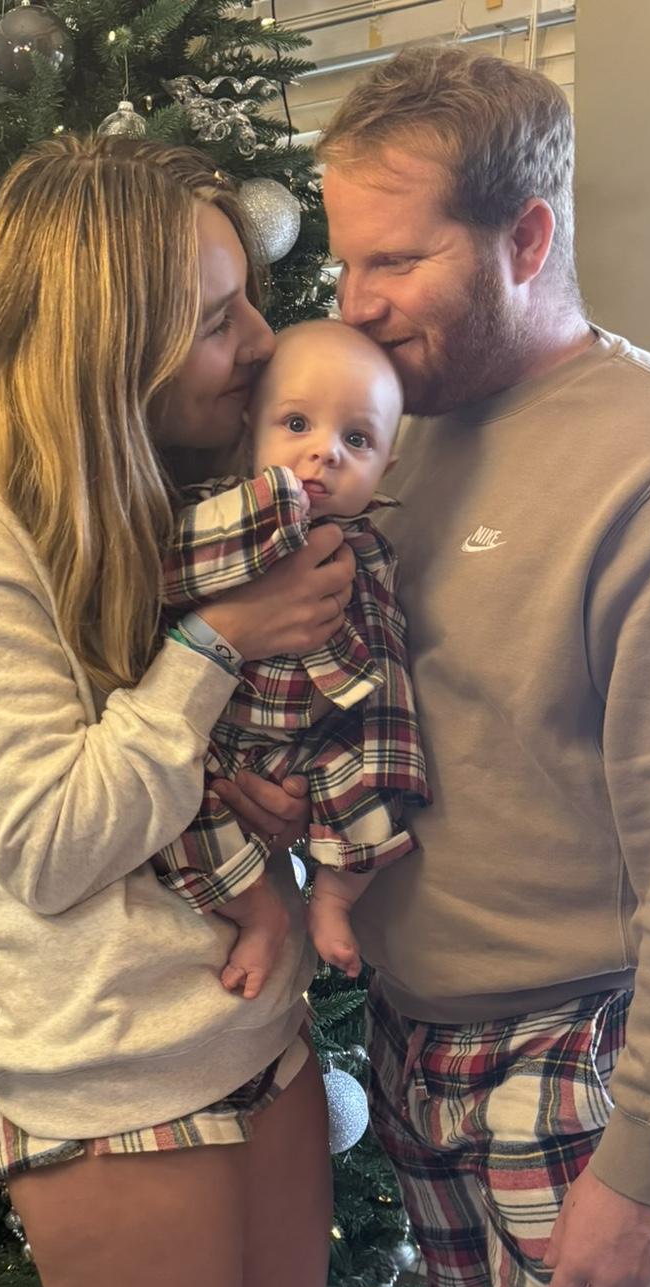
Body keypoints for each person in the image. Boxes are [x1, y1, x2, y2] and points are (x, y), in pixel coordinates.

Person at [221, 44, 650, 1287]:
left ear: (530, 236)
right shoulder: (390, 437)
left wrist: (649, 1168)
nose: (355, 299)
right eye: (345, 257)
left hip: (579, 1069)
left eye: (397, 259)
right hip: (421, 1042)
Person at [0, 137, 355, 1287]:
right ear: (109, 348)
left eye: (246, 299)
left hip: (251, 1032)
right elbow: (50, 844)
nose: (257, 343)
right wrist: (220, 643)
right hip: (107, 1066)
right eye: (214, 319)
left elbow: (228, 749)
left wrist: (280, 801)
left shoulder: (180, 481)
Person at [154, 318, 429, 999]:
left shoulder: (371, 550)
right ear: (252, 431)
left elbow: (385, 652)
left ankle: (332, 896)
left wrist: (381, 741)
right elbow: (169, 571)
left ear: (385, 468)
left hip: (320, 741)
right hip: (220, 741)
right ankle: (259, 914)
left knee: (373, 789)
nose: (324, 453)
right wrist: (277, 504)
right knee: (177, 814)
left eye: (356, 441)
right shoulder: (219, 511)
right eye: (297, 424)